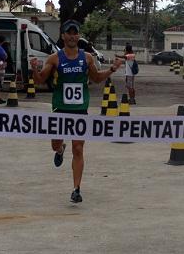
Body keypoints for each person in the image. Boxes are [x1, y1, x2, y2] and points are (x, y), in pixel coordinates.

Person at [30, 19, 122, 203]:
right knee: (55, 144)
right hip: (60, 108)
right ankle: (60, 149)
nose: (72, 36)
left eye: (75, 33)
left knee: (78, 148)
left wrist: (112, 69)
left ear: (78, 36)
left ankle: (76, 189)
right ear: (63, 36)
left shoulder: (87, 57)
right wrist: (34, 69)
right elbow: (40, 80)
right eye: (69, 33)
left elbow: (96, 78)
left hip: (80, 110)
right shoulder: (54, 58)